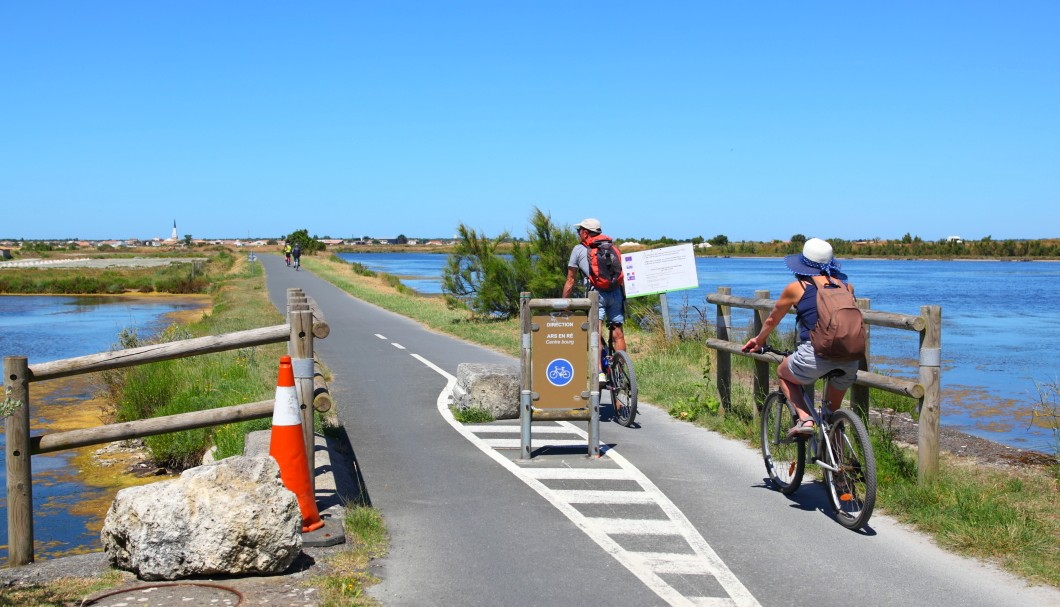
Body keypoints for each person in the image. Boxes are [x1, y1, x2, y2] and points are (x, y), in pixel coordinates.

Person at [741, 238, 861, 437]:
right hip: (849, 359)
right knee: (832, 416)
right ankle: (840, 464)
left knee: (782, 372)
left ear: (803, 263)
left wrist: (759, 340)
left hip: (815, 355)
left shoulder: (797, 288)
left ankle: (805, 419)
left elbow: (772, 320)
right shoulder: (846, 287)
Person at [562, 218, 626, 382]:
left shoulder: (579, 249)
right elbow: (620, 276)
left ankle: (600, 373)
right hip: (616, 293)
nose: (578, 233)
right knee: (618, 335)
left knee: (595, 333)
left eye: (579, 231)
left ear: (585, 232)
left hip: (596, 295)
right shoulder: (612, 247)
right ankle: (620, 372)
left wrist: (564, 305)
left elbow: (570, 280)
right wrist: (623, 298)